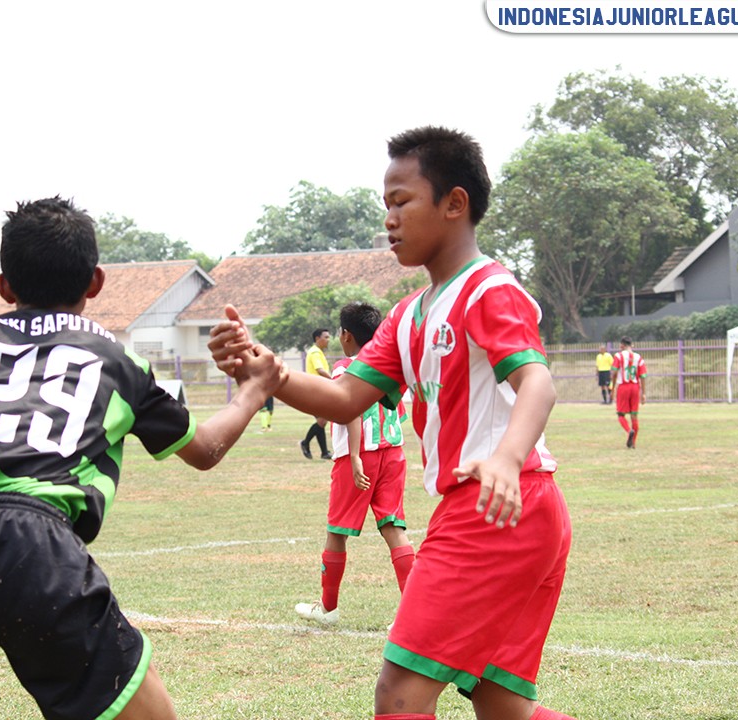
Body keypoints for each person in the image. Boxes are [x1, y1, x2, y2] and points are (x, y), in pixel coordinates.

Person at [0, 197, 283, 720]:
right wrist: (252, 391)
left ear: (4, 287)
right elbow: (204, 450)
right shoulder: (117, 359)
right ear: (96, 282)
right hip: (30, 542)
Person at [210, 126, 574, 720]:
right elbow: (345, 397)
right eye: (386, 205)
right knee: (502, 706)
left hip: (497, 507)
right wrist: (266, 371)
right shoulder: (409, 314)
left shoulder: (489, 289)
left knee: (399, 695)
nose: (390, 219)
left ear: (455, 204)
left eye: (402, 201)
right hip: (508, 512)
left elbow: (538, 380)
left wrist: (507, 455)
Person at [294, 301, 415, 626]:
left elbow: (350, 410)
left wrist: (358, 457)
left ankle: (328, 609)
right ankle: (413, 613)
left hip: (357, 457)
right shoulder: (390, 365)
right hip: (394, 453)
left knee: (337, 531)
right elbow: (399, 410)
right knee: (393, 527)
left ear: (346, 335)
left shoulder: (346, 366)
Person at [299, 328, 333, 459]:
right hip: (315, 391)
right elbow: (320, 370)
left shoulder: (317, 352)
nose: (328, 340)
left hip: (317, 390)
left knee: (321, 422)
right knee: (323, 420)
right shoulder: (315, 353)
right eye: (326, 337)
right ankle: (305, 443)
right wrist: (334, 380)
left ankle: (324, 452)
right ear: (317, 338)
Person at [611, 336, 647, 449]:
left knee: (621, 414)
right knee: (634, 416)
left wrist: (612, 388)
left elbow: (614, 372)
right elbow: (643, 376)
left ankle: (629, 430)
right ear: (632, 345)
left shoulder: (618, 356)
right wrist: (643, 393)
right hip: (635, 387)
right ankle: (633, 443)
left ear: (622, 345)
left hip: (623, 387)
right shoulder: (639, 357)